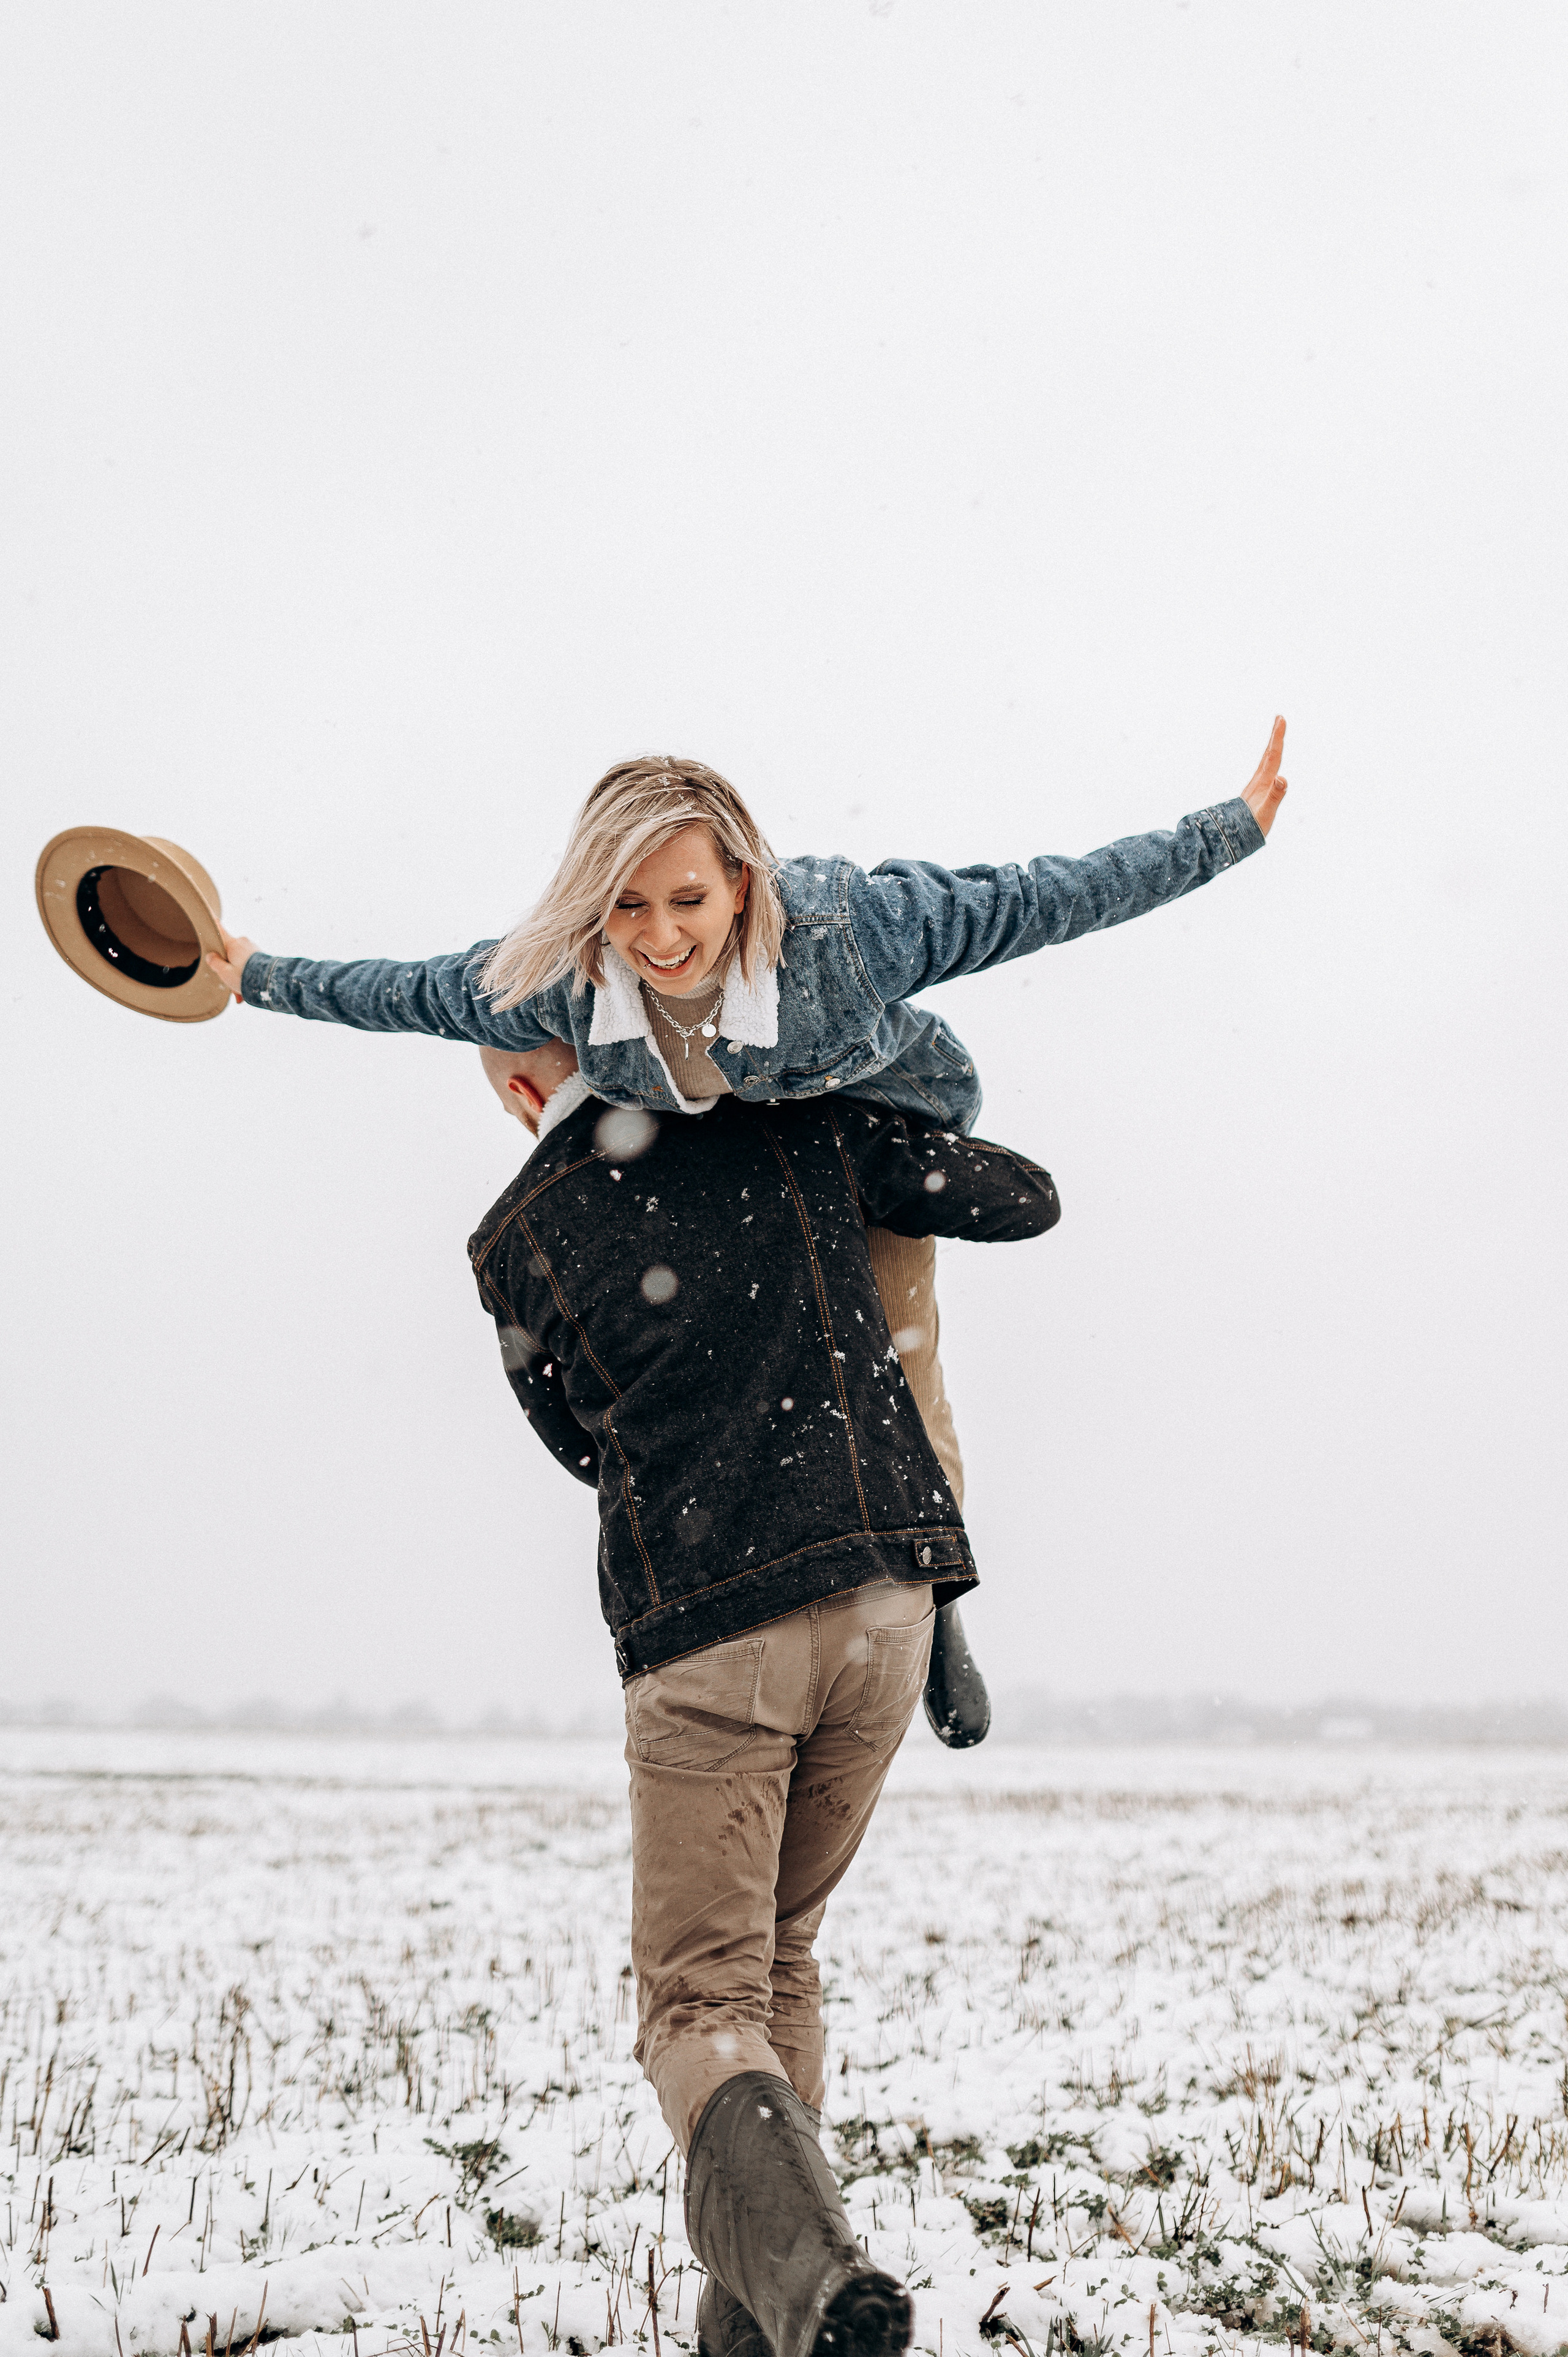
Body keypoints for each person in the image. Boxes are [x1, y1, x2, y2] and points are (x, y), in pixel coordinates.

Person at [206, 721, 1288, 1545]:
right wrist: (254, 975)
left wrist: (1225, 832)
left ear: (740, 881)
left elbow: (1045, 898)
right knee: (511, 1057)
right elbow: (401, 992)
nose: (661, 936)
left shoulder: (851, 935)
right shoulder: (564, 982)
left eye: (687, 900)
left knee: (897, 1372)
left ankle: (937, 1579)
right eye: (627, 907)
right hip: (716, 1142)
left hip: (871, 1129)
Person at [468, 1039, 1060, 2357]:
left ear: (519, 1089)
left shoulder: (515, 1234)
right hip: (884, 1604)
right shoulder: (800, 1126)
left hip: (709, 1628)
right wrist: (881, 1078)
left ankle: (814, 2288)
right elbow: (1022, 1196)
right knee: (779, 1953)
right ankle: (755, 2335)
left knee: (697, 2006)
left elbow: (579, 1441)